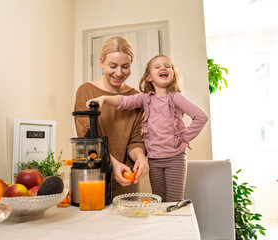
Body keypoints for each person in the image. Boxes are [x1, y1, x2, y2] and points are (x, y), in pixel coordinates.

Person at [86, 55, 209, 202]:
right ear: (149, 77)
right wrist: (104, 99)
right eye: (157, 67)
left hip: (175, 158)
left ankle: (174, 225)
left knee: (174, 201)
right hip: (154, 160)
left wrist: (184, 138)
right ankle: (162, 225)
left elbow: (201, 117)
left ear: (173, 74)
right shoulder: (145, 98)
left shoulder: (176, 97)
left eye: (167, 66)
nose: (163, 68)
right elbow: (123, 101)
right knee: (159, 201)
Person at [74, 36, 149, 198]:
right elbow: (88, 139)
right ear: (102, 62)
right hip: (95, 177)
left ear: (131, 64)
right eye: (113, 66)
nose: (119, 73)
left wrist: (141, 159)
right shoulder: (85, 91)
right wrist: (114, 164)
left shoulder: (135, 98)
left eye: (125, 67)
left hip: (127, 179)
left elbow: (136, 140)